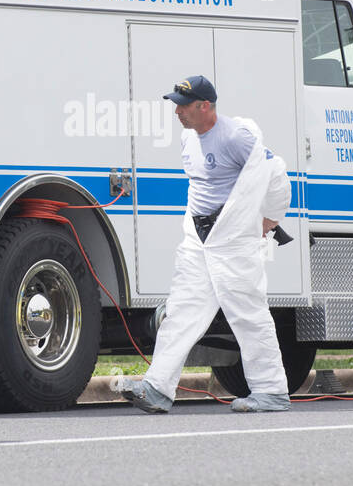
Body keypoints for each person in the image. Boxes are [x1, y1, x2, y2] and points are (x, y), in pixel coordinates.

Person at [120, 75, 293, 413]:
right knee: (182, 312)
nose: (177, 112)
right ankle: (157, 387)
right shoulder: (188, 139)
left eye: (183, 105)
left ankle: (271, 390)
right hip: (199, 240)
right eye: (176, 104)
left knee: (247, 313)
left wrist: (270, 218)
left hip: (232, 238)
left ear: (205, 106)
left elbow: (275, 171)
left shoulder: (235, 137)